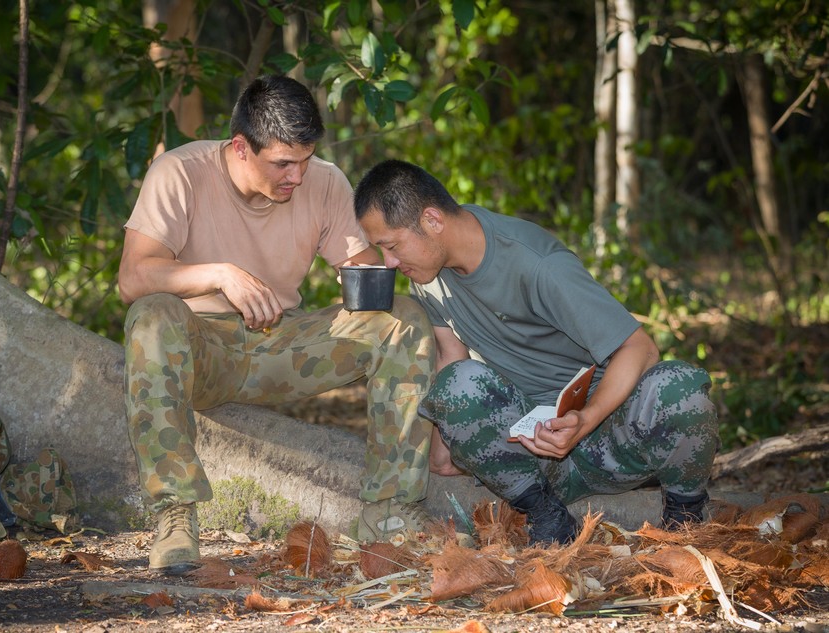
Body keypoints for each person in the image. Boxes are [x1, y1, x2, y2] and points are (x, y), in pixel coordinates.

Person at [118, 77, 436, 574]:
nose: (298, 175)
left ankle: (390, 516)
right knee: (151, 316)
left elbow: (362, 269)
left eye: (306, 160)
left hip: (283, 347)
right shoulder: (179, 171)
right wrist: (219, 274)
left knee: (402, 319)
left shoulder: (324, 182)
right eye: (284, 163)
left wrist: (368, 275)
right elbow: (133, 277)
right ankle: (174, 516)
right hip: (200, 351)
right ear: (241, 148)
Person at [353, 159, 719, 545]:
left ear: (432, 220)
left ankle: (684, 518)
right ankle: (547, 517)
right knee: (456, 386)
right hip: (530, 453)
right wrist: (442, 447)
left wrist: (586, 419)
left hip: (607, 438)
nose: (389, 263)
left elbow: (640, 349)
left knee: (680, 388)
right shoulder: (428, 274)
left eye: (391, 246)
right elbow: (452, 358)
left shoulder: (537, 264)